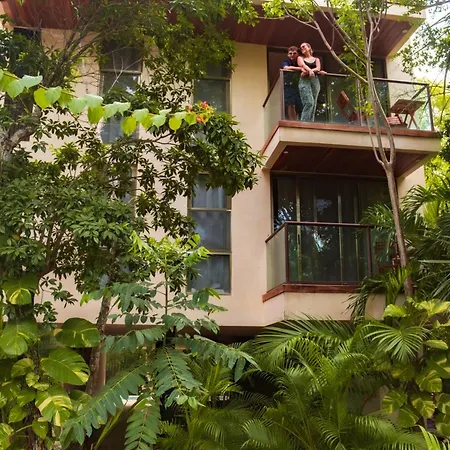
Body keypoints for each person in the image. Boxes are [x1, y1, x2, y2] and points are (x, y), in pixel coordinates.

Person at [297, 42, 326, 122]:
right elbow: (303, 65)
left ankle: (311, 122)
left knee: (314, 104)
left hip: (315, 80)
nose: (302, 48)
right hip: (304, 81)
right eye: (301, 48)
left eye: (303, 46)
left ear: (309, 47)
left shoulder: (316, 59)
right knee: (309, 102)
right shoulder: (300, 58)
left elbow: (318, 68)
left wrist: (309, 71)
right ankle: (304, 122)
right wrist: (310, 71)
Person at [281, 46, 303, 121]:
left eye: (294, 53)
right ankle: (293, 122)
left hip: (299, 86)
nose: (292, 55)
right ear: (288, 54)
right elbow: (285, 68)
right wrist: (299, 69)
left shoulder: (300, 62)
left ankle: (300, 121)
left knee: (300, 105)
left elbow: (305, 67)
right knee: (291, 104)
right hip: (288, 86)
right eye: (290, 53)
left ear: (298, 54)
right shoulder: (286, 62)